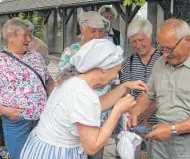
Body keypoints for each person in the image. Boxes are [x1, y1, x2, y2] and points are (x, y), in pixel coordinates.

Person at [20, 39, 148, 159]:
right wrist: (117, 111)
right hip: (57, 153)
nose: (115, 77)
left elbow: (97, 105)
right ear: (104, 69)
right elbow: (92, 147)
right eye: (116, 71)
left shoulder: (74, 81)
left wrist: (125, 86)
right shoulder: (82, 94)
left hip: (44, 147)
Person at [128, 18, 190, 159]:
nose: (165, 54)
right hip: (160, 142)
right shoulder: (160, 63)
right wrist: (133, 113)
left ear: (187, 40)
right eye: (162, 48)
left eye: (169, 48)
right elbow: (148, 96)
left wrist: (173, 129)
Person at [58, 11, 119, 159]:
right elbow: (61, 82)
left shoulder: (108, 52)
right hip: (76, 118)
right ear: (82, 29)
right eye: (93, 31)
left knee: (96, 153)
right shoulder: (71, 52)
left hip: (100, 116)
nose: (97, 35)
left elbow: (115, 82)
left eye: (101, 31)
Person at [0, 17, 54, 159]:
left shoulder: (36, 57)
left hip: (41, 120)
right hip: (16, 122)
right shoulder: (1, 61)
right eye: (25, 35)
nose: (29, 39)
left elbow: (48, 80)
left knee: (41, 155)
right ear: (11, 36)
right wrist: (4, 110)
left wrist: (52, 100)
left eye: (30, 34)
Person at [120, 19, 162, 158]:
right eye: (134, 41)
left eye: (141, 40)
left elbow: (168, 92)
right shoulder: (128, 62)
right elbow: (126, 92)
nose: (138, 45)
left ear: (150, 37)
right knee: (140, 154)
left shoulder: (163, 60)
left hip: (161, 120)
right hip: (136, 120)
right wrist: (134, 113)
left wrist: (146, 112)